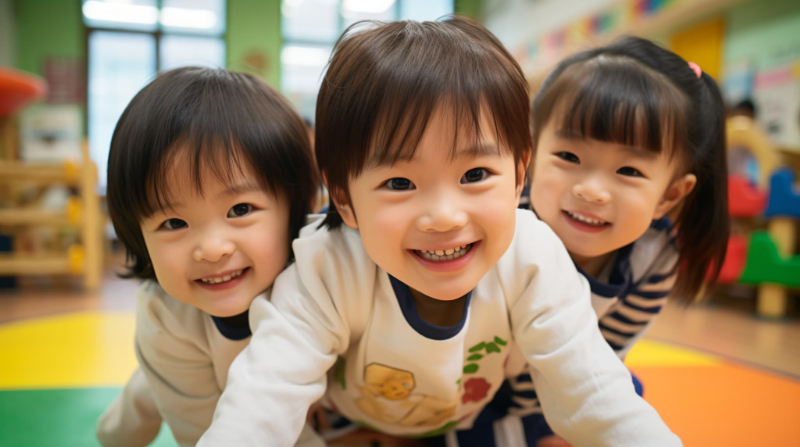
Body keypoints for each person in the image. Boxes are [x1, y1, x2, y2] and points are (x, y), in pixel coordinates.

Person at [198, 18, 682, 447]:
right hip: (350, 420)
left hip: (466, 419)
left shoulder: (534, 256)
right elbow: (265, 394)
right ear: (344, 198)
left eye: (475, 176)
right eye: (399, 183)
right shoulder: (326, 268)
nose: (444, 217)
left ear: (519, 175)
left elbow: (592, 385)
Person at [480, 36, 730, 446]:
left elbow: (603, 357)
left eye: (629, 171)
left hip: (559, 381)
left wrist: (551, 427)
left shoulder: (654, 257)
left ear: (669, 195)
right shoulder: (501, 221)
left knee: (627, 394)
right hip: (464, 385)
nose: (592, 190)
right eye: (569, 157)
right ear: (530, 155)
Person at [95, 67, 325, 447]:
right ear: (137, 234)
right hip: (182, 356)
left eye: (240, 210)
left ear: (298, 206)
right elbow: (206, 433)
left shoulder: (321, 280)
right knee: (149, 392)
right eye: (173, 222)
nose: (212, 248)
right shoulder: (164, 316)